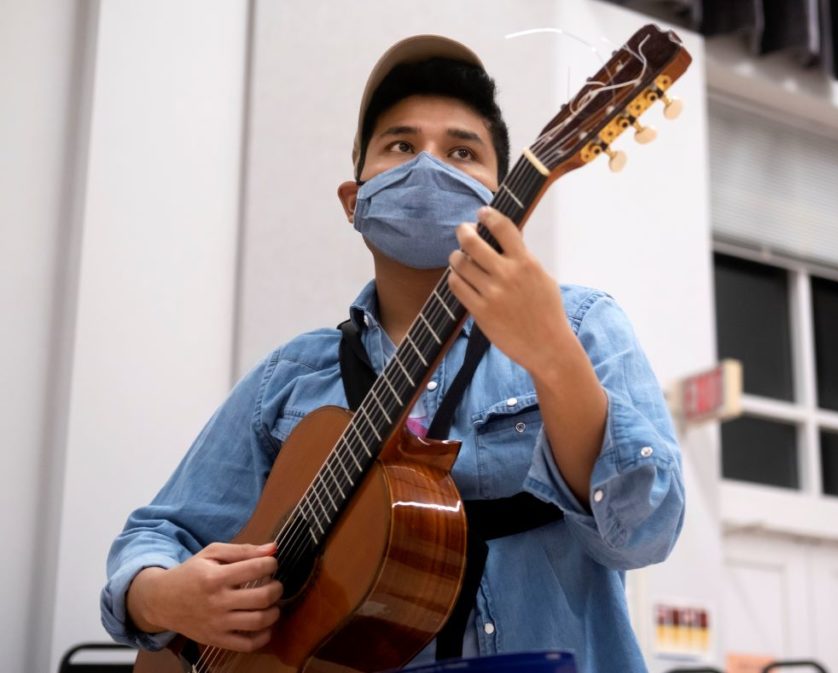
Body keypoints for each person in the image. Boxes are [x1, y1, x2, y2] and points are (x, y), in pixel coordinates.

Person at [101, 34, 685, 673]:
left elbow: (646, 531)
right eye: (401, 146)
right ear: (354, 201)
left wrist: (553, 355)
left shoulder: (582, 325)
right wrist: (162, 596)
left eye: (463, 151)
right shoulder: (291, 378)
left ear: (503, 201)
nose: (429, 166)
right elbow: (154, 536)